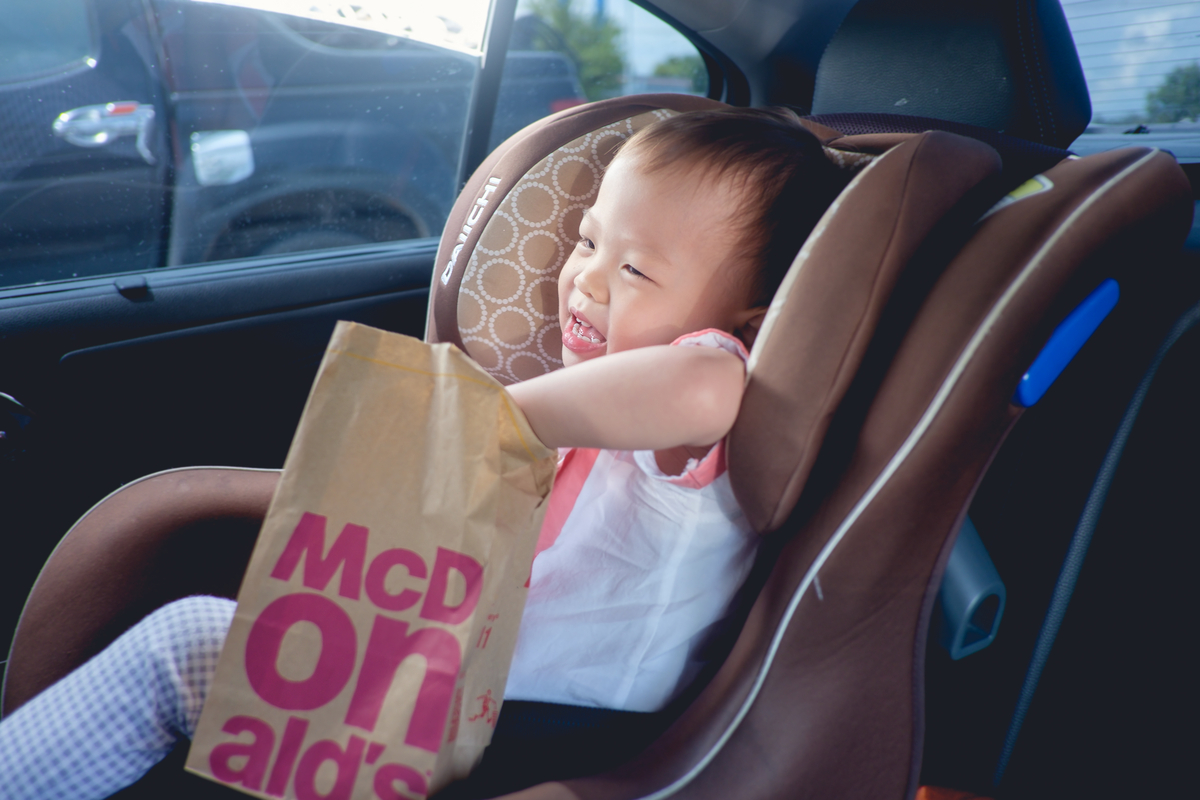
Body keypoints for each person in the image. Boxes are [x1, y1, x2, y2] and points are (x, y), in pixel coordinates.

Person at [0, 108, 847, 799]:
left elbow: (701, 386)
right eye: (589, 242)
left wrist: (479, 416)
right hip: (484, 682)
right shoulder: (623, 393)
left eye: (637, 271)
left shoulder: (706, 388)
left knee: (183, 646)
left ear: (747, 323)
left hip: (559, 722)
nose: (586, 279)